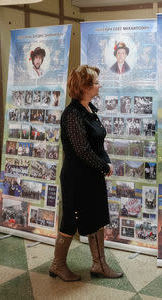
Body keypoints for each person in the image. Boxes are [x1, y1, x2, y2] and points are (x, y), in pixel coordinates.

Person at [49, 65, 123, 282]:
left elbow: (97, 143)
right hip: (76, 178)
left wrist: (105, 162)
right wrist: (103, 166)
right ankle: (58, 265)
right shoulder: (72, 114)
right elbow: (82, 150)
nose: (100, 85)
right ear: (85, 87)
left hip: (92, 176)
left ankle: (99, 264)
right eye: (97, 82)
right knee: (71, 222)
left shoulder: (90, 108)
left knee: (97, 219)